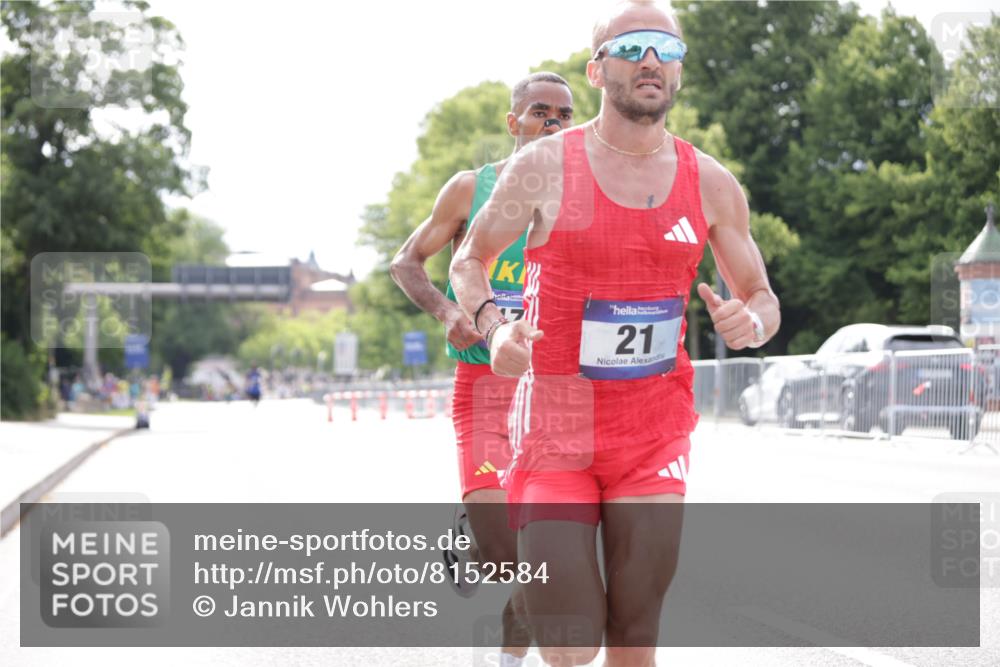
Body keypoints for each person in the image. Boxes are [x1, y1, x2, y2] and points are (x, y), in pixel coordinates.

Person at [449, 2, 780, 665]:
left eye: (666, 48)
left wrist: (751, 324)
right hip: (556, 430)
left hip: (653, 434)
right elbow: (469, 261)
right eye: (631, 48)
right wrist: (495, 326)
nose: (651, 60)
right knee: (569, 641)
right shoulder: (544, 165)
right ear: (597, 71)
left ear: (680, 68)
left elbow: (762, 298)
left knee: (635, 634)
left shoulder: (712, 183)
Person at [390, 71, 575, 664]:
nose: (553, 122)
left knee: (544, 560)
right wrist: (448, 310)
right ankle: (473, 542)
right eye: (540, 111)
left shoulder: (585, 196)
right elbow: (406, 262)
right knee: (503, 560)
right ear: (513, 121)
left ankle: (508, 656)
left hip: (555, 396)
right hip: (485, 388)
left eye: (565, 114)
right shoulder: (472, 188)